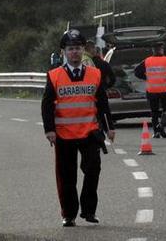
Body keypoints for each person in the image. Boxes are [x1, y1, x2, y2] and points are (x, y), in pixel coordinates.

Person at [41, 29, 115, 227]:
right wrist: (49, 130)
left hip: (90, 132)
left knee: (93, 170)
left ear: (84, 51)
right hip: (64, 135)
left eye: (78, 48)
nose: (74, 52)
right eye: (70, 49)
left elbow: (103, 103)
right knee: (67, 177)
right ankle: (69, 214)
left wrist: (109, 128)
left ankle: (89, 211)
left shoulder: (95, 74)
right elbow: (47, 105)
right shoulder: (54, 75)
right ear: (63, 51)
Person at [134, 42, 166, 138]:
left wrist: (146, 77)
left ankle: (156, 132)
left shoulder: (147, 61)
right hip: (164, 89)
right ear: (162, 50)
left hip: (152, 90)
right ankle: (162, 125)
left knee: (154, 112)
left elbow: (137, 72)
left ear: (153, 51)